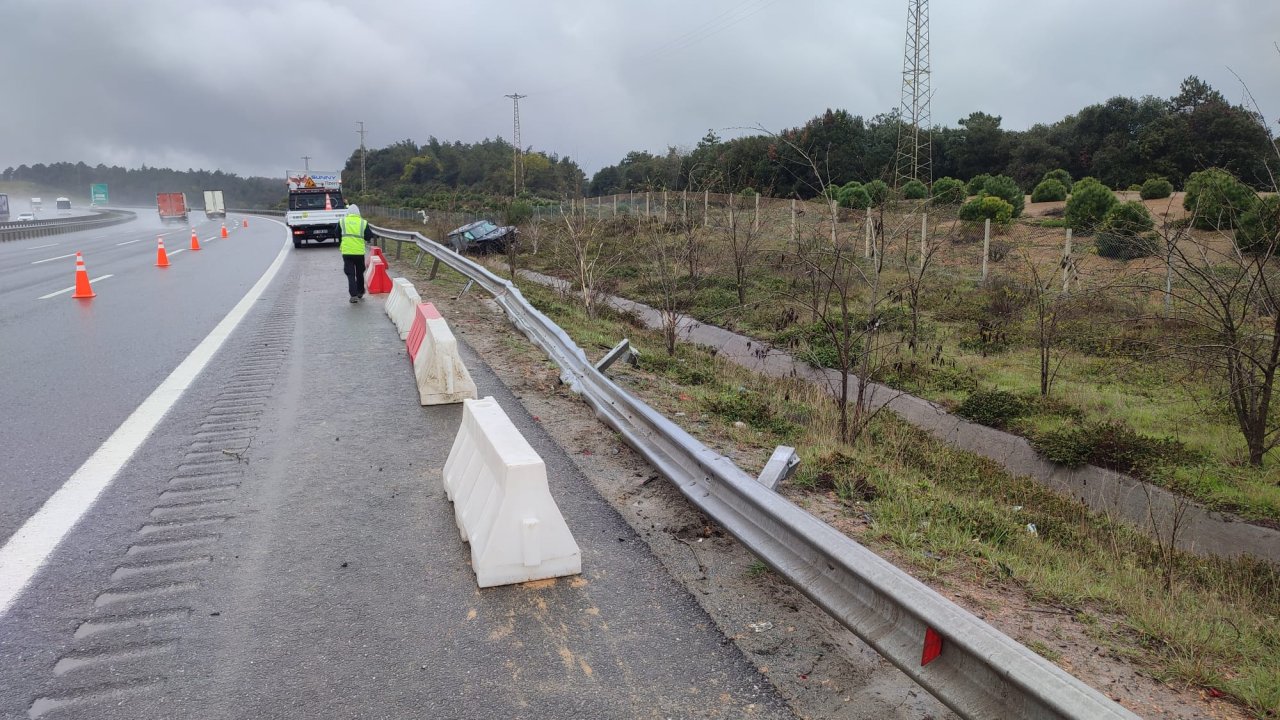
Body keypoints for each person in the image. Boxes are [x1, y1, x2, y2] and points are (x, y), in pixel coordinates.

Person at [339, 204, 375, 303]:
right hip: (359, 253)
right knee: (359, 272)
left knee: (350, 273)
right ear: (358, 213)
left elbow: (336, 233)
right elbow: (368, 236)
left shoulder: (342, 221)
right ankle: (360, 292)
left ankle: (353, 295)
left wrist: (342, 242)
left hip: (347, 253)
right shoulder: (363, 222)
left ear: (348, 212)